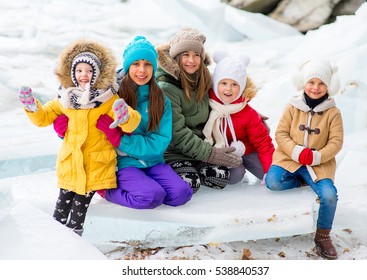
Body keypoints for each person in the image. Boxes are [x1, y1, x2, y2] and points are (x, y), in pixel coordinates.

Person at [18, 39, 141, 236]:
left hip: (95, 166)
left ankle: (74, 245)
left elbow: (132, 122)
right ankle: (54, 242)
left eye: (89, 71)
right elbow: (44, 118)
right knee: (60, 209)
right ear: (73, 74)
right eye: (79, 71)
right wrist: (32, 107)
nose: (84, 75)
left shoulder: (108, 99)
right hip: (71, 165)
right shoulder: (65, 99)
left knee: (78, 210)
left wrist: (124, 115)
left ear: (97, 74)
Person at [95, 36, 193, 209]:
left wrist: (120, 140)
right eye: (136, 64)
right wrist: (62, 130)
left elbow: (160, 142)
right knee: (151, 196)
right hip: (124, 163)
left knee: (181, 194)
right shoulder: (111, 96)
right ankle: (107, 191)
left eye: (147, 64)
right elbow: (87, 124)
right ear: (128, 66)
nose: (142, 70)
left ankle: (147, 184)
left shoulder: (160, 99)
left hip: (153, 160)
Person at [265, 58, 343, 259]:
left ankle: (323, 235)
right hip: (290, 158)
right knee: (273, 182)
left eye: (321, 83)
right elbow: (281, 134)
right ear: (303, 83)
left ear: (329, 86)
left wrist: (317, 156)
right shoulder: (292, 106)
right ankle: (300, 180)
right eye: (311, 82)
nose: (315, 88)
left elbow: (336, 143)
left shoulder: (333, 113)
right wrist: (297, 151)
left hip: (319, 164)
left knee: (329, 196)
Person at [155, 27, 242, 194]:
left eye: (196, 55)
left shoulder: (204, 77)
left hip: (201, 145)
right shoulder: (167, 87)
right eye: (185, 55)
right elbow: (176, 132)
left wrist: (244, 109)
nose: (191, 60)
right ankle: (169, 171)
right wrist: (209, 154)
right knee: (190, 184)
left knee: (221, 178)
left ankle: (196, 166)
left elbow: (224, 96)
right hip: (174, 151)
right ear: (176, 56)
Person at [202, 51, 275, 185]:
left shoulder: (247, 113)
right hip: (221, 152)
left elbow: (263, 142)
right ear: (216, 82)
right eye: (223, 83)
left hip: (247, 150)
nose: (228, 89)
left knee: (268, 171)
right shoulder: (207, 105)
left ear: (241, 87)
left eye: (234, 84)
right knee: (235, 176)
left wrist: (269, 171)